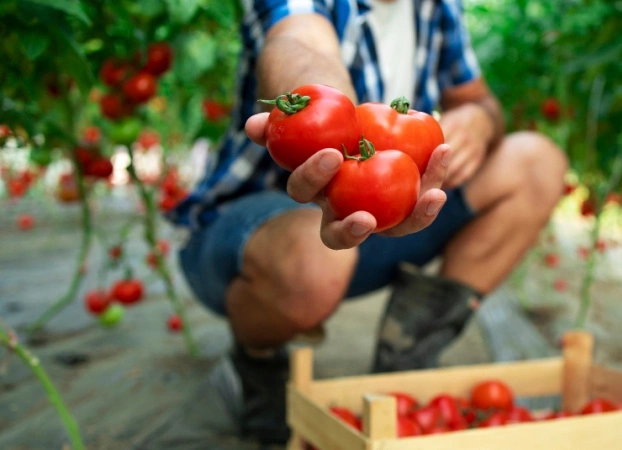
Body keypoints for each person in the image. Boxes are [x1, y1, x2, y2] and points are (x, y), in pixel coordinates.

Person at [167, 0, 567, 445]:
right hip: (255, 230)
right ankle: (259, 363)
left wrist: (478, 118)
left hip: (392, 209)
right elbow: (298, 42)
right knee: (312, 260)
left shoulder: (437, 7)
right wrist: (322, 117)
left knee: (537, 161)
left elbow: (479, 99)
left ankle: (407, 352)